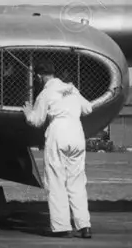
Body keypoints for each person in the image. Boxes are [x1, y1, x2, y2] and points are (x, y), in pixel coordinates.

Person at [23, 60, 94, 238]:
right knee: (76, 182)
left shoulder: (45, 94)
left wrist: (28, 113)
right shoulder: (72, 89)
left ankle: (61, 226)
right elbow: (88, 108)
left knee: (55, 180)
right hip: (77, 134)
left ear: (39, 76)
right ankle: (84, 225)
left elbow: (36, 121)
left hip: (58, 133)